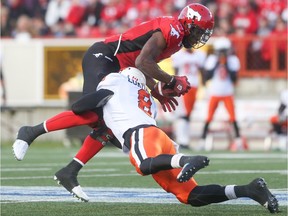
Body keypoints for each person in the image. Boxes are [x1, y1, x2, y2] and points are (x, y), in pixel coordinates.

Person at [13, 3, 214, 200]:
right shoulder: (173, 30)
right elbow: (142, 62)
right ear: (188, 24)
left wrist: (157, 91)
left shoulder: (176, 41)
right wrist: (171, 80)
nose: (198, 38)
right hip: (104, 56)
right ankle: (31, 132)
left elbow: (142, 64)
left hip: (120, 68)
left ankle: (70, 171)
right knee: (93, 113)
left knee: (109, 127)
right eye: (198, 31)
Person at [56, 67, 278, 213]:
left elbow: (80, 106)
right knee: (190, 196)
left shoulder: (116, 82)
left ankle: (186, 160)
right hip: (158, 137)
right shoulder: (145, 97)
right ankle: (249, 190)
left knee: (143, 166)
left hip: (140, 133)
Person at [199, 37, 246, 151]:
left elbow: (234, 78)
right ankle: (202, 140)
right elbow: (207, 76)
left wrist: (225, 65)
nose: (223, 54)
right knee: (209, 117)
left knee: (233, 117)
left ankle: (238, 140)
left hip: (227, 92)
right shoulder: (211, 60)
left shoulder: (233, 60)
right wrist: (217, 64)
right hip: (215, 92)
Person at [170, 48, 206, 149]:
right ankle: (182, 140)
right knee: (183, 114)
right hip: (183, 86)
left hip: (194, 86)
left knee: (188, 115)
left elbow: (202, 71)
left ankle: (184, 140)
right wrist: (174, 87)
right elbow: (175, 72)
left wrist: (204, 85)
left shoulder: (200, 55)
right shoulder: (178, 55)